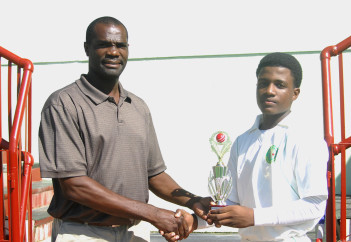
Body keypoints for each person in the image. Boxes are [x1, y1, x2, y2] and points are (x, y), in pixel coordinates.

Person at [38, 16, 209, 242]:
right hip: (84, 233)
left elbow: (154, 173)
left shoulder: (138, 107)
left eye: (120, 45)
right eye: (104, 44)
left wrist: (192, 200)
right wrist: (154, 213)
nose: (113, 52)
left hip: (134, 232)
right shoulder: (64, 104)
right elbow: (74, 186)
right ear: (87, 49)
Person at [163, 52, 329, 242]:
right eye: (263, 83)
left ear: (295, 93)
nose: (270, 90)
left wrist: (254, 216)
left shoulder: (306, 139)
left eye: (280, 85)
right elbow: (232, 202)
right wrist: (194, 221)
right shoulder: (243, 141)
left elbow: (315, 204)